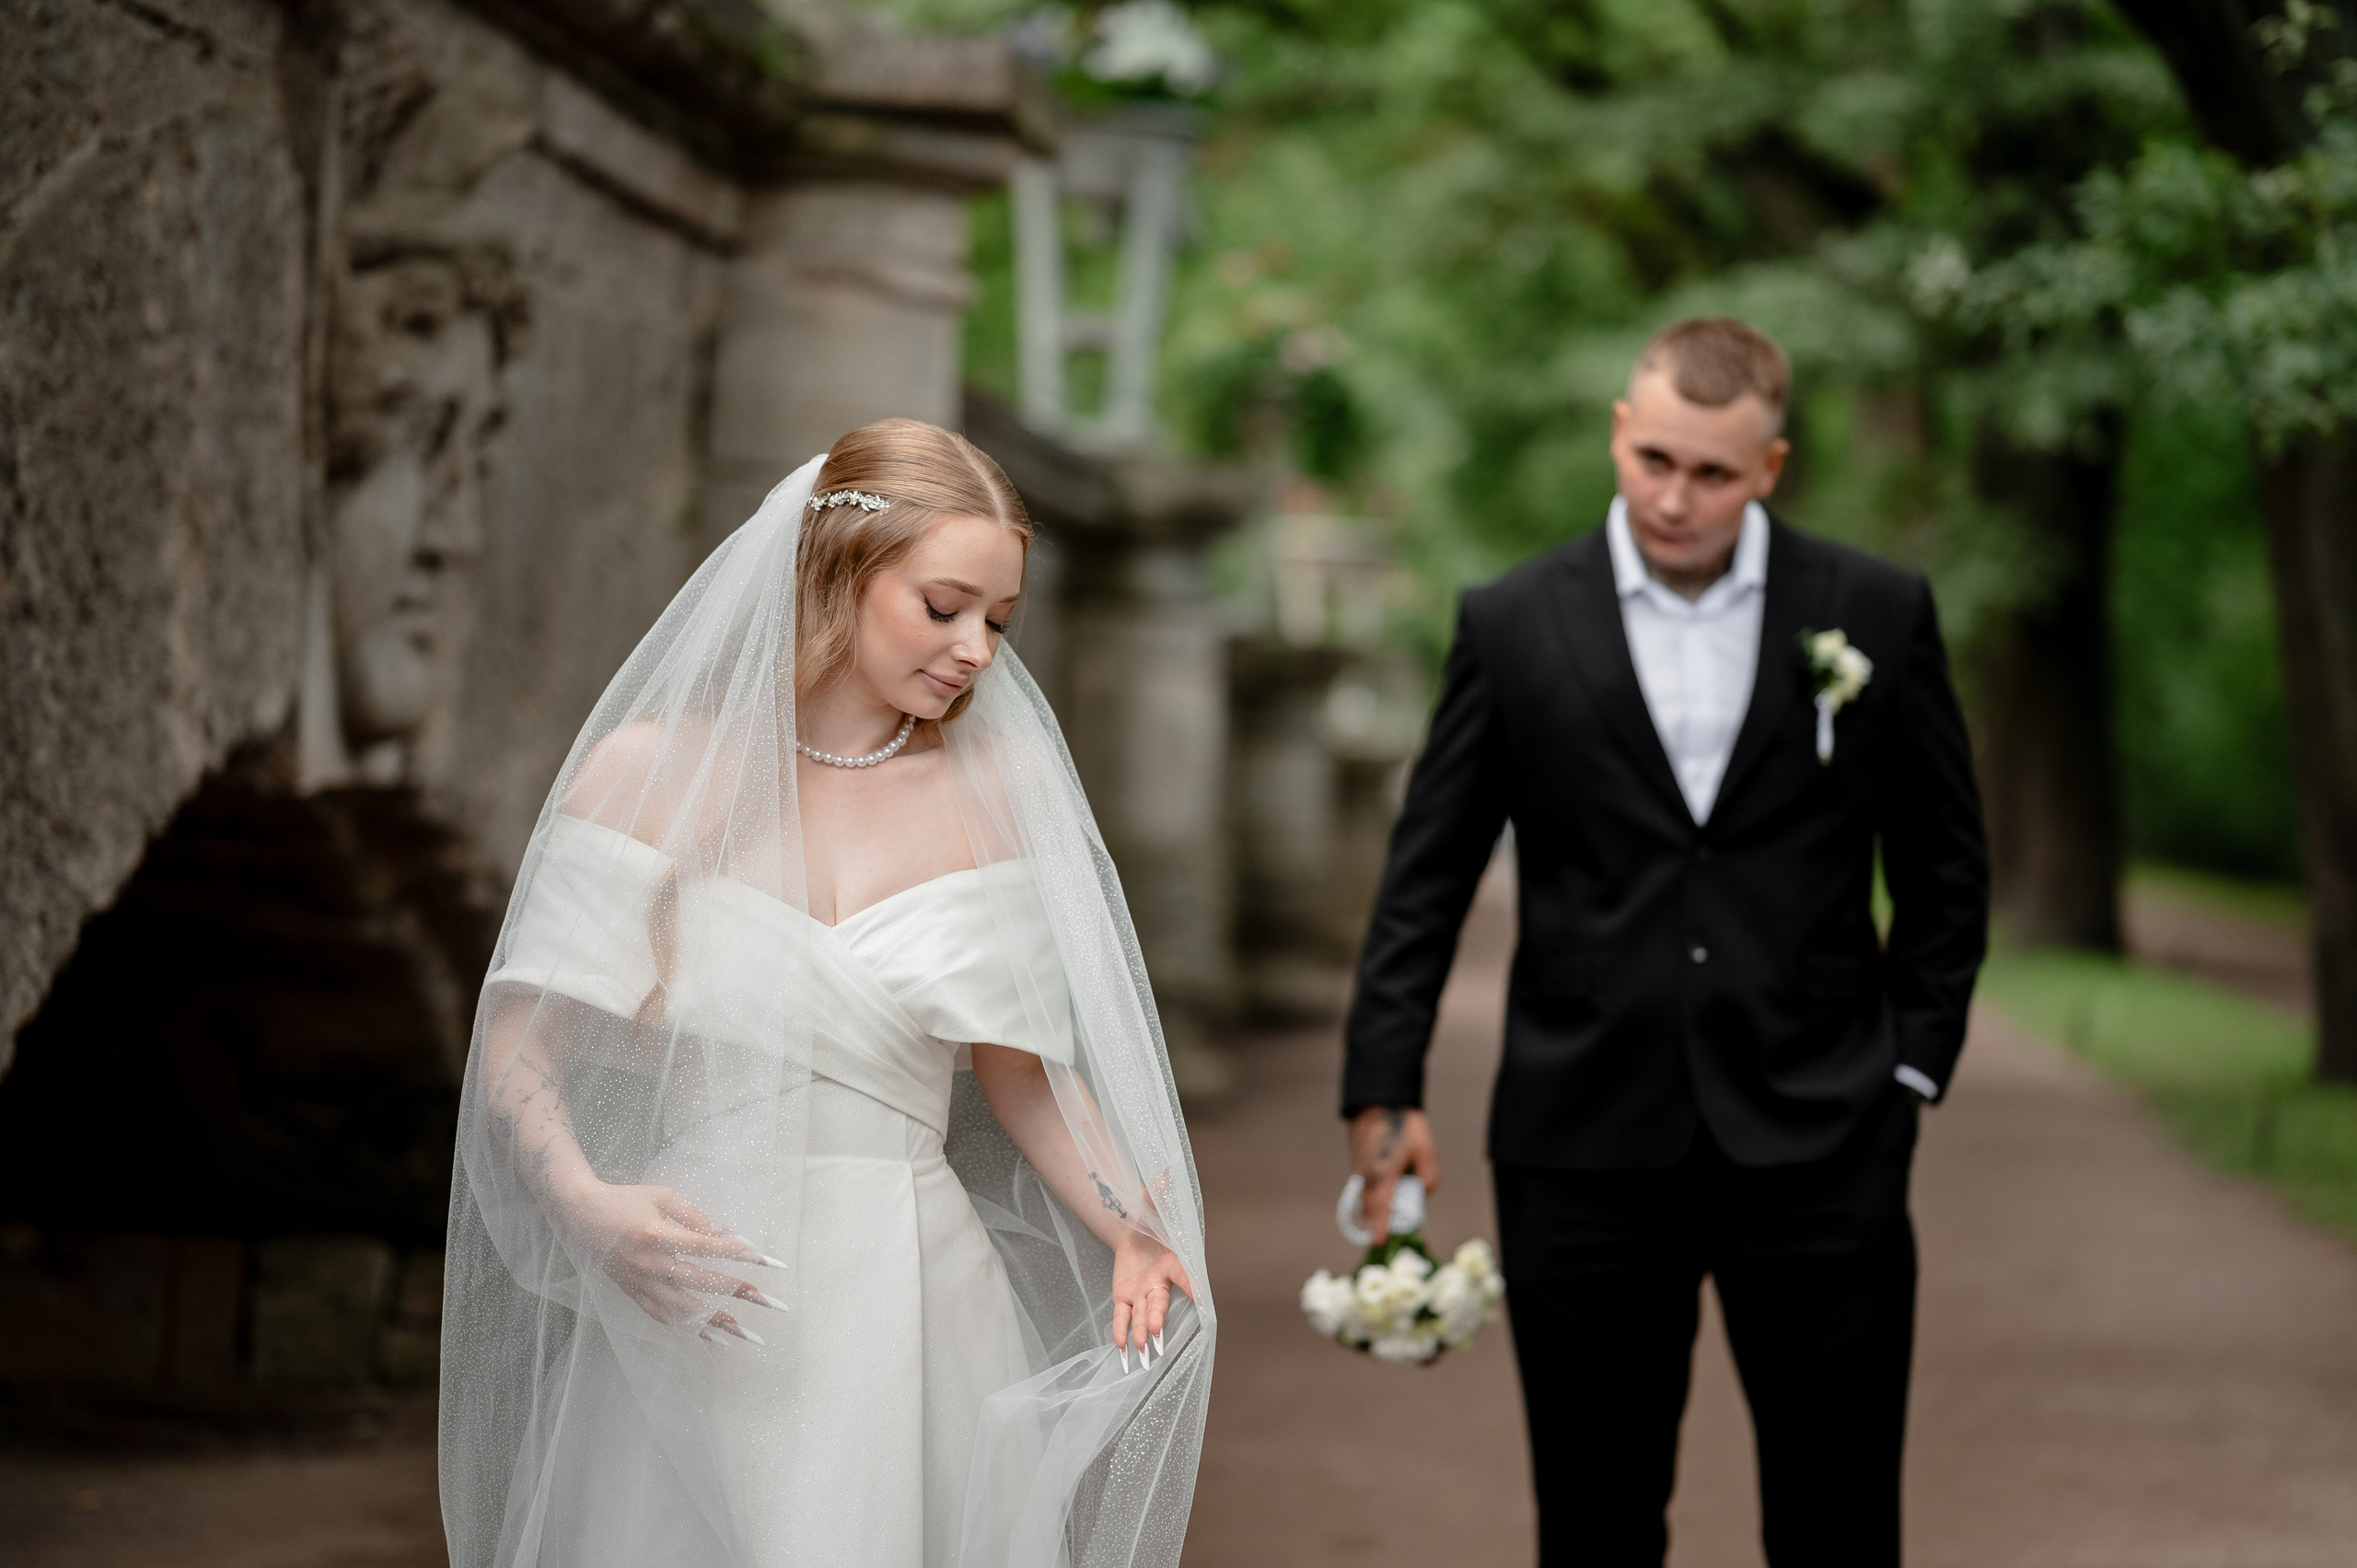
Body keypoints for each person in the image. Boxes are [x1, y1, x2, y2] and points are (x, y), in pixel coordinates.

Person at [439, 419, 1213, 1568]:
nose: (975, 650)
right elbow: (517, 1048)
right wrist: (590, 1207)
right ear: (837, 570)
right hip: (707, 1281)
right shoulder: (648, 772)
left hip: (916, 1289)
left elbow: (1024, 1077)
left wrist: (1130, 1228)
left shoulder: (996, 788)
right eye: (943, 606)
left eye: (999, 621)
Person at [1341, 319, 1989, 1566]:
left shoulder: (1874, 609)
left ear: (1770, 468)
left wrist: (1909, 1065)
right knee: (1596, 1520)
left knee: (1841, 1515)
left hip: (1823, 1134)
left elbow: (1945, 864)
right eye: (1653, 460)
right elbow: (1427, 874)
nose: (1674, 497)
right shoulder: (1512, 620)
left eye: (1712, 472)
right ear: (1618, 434)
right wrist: (1385, 1083)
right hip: (1581, 1139)